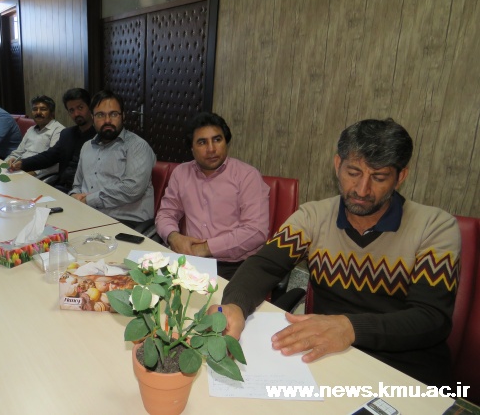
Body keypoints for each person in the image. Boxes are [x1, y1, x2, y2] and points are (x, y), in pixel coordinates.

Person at [215, 118, 460, 387]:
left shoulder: (434, 226)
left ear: (400, 177)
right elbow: (264, 265)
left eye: (378, 177)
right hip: (329, 359)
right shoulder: (313, 216)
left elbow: (431, 318)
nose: (362, 189)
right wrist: (235, 305)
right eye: (353, 172)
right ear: (337, 165)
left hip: (406, 369)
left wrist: (351, 327)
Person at [155, 112, 269, 280]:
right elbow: (166, 213)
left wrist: (206, 248)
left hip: (234, 266)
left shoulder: (247, 176)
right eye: (202, 142)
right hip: (190, 259)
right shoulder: (181, 173)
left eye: (217, 140)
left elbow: (256, 231)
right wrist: (173, 236)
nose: (211, 149)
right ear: (191, 148)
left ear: (226, 142)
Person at [70, 90, 156, 228]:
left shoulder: (137, 146)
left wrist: (89, 200)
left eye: (114, 114)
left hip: (125, 222)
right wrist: (74, 195)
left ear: (123, 116)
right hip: (86, 215)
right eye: (100, 115)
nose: (107, 121)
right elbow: (77, 184)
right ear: (92, 117)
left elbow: (132, 189)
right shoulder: (87, 146)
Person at [9, 88, 97, 193]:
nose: (76, 113)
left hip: (84, 191)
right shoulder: (67, 134)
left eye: (80, 107)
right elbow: (49, 156)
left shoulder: (99, 136)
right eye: (71, 110)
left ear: (90, 108)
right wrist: (22, 163)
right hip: (62, 187)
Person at [5, 95, 65, 179]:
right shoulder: (31, 129)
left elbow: (55, 162)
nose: (38, 112)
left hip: (37, 175)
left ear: (52, 112)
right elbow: (18, 152)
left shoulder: (59, 130)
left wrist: (34, 173)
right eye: (35, 109)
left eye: (43, 109)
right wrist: (10, 159)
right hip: (19, 169)